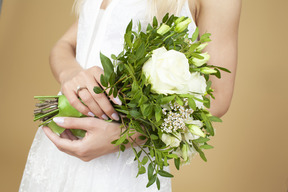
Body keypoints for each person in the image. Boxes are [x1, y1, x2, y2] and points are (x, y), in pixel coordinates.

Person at [19, 0, 241, 191]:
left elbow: (217, 97)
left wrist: (124, 136)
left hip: (122, 161)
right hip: (59, 146)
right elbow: (65, 44)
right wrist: (71, 74)